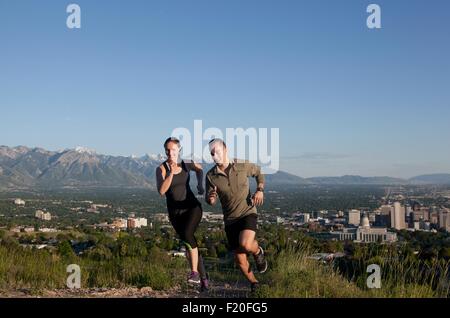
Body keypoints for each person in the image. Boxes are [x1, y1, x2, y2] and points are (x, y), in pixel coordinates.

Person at [205, 138, 267, 293]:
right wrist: (211, 198)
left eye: (217, 151)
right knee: (239, 258)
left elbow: (259, 172)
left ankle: (258, 251)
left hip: (247, 212)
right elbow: (209, 199)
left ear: (225, 149)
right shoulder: (211, 176)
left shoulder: (241, 165)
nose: (215, 155)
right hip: (230, 220)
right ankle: (254, 283)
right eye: (212, 153)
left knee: (246, 244)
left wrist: (260, 189)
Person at [156, 137, 209, 291]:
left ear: (179, 150)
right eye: (167, 149)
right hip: (175, 214)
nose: (170, 152)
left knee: (187, 234)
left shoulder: (186, 163)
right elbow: (161, 191)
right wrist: (171, 173)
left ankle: (194, 273)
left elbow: (199, 169)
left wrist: (200, 184)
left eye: (173, 149)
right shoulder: (162, 169)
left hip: (192, 207)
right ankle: (204, 279)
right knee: (189, 242)